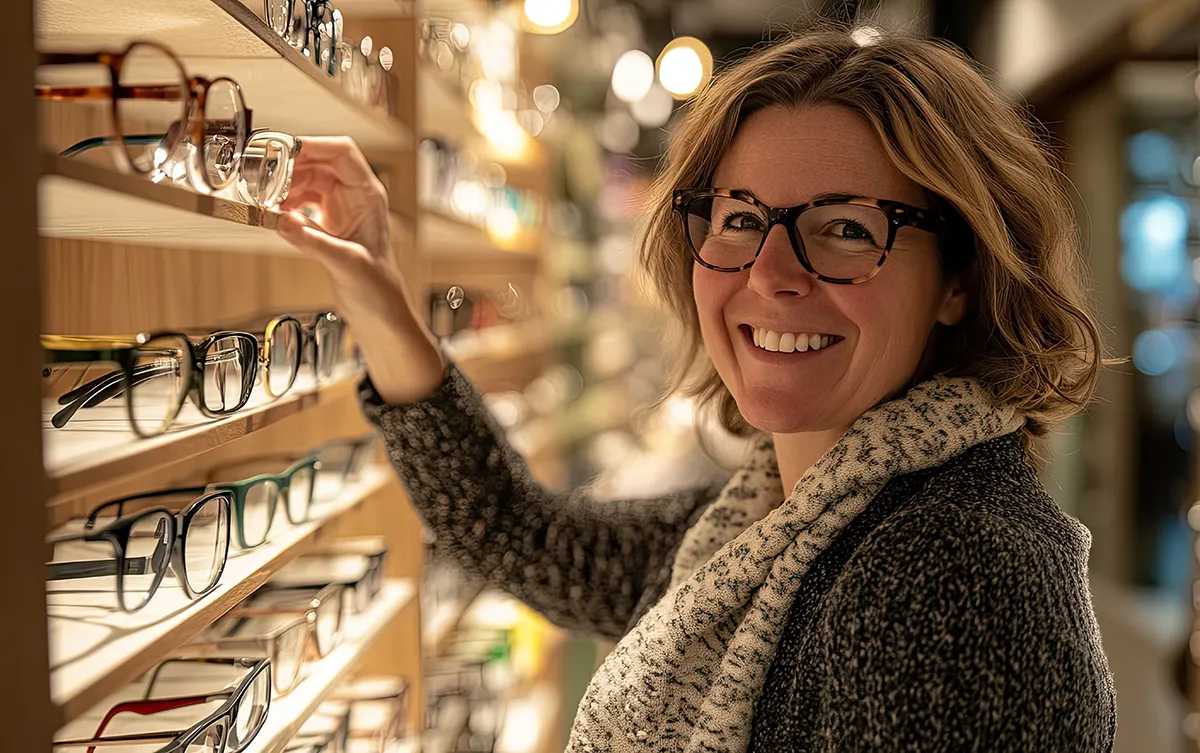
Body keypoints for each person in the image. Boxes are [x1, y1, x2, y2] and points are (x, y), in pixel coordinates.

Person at [276, 24, 1116, 753]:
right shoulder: (767, 522)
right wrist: (380, 293)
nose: (772, 272)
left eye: (848, 229)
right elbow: (516, 532)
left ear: (959, 278)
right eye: (742, 218)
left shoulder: (955, 573)